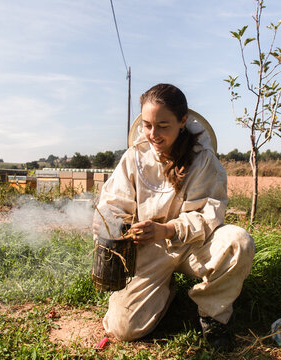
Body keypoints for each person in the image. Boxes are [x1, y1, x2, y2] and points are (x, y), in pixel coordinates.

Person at [94, 83, 255, 351]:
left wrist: (168, 229)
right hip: (149, 248)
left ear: (182, 121)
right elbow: (112, 204)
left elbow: (209, 215)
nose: (153, 134)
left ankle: (213, 314)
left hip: (194, 244)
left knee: (238, 241)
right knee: (122, 329)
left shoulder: (204, 161)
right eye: (147, 125)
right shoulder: (133, 158)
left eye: (163, 125)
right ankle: (166, 291)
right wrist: (115, 226)